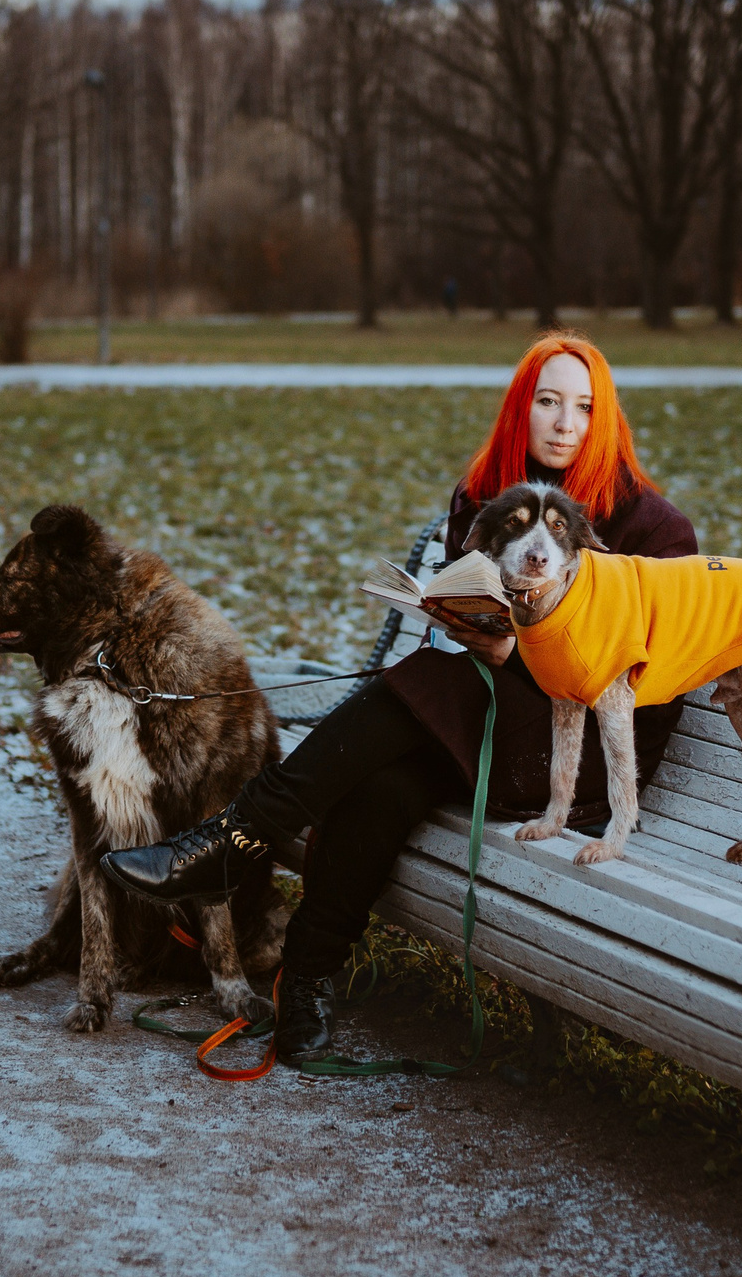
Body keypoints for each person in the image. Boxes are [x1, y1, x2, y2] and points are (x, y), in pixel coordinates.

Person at [99, 333, 698, 1063]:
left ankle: (233, 841)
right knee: (384, 782)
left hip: (583, 760)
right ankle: (308, 980)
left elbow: (645, 686)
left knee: (430, 683)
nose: (565, 423)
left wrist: (515, 651)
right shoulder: (486, 499)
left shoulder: (653, 528)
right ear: (522, 410)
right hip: (482, 724)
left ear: (607, 419)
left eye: (584, 406)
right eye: (547, 402)